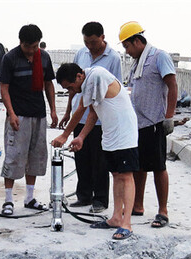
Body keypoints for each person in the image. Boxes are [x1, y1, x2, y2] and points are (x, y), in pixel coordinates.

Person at [53, 63, 138, 240]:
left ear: (78, 76)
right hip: (109, 133)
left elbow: (81, 110)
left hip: (124, 133)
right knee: (115, 174)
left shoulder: (96, 76)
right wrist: (81, 137)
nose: (72, 91)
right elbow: (93, 113)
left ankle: (126, 223)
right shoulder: (88, 82)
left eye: (70, 87)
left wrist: (65, 135)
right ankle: (116, 217)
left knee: (126, 175)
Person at [58, 22, 122, 213]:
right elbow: (73, 88)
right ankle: (84, 195)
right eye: (86, 42)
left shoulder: (113, 58)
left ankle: (100, 200)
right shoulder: (81, 54)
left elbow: (115, 88)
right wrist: (68, 111)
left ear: (102, 37)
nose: (90, 46)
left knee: (100, 160)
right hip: (80, 116)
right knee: (81, 157)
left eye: (93, 42)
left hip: (101, 117)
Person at [119, 21, 178, 228]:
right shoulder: (137, 62)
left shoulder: (159, 56)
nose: (126, 51)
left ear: (137, 41)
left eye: (127, 46)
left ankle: (163, 211)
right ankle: (138, 205)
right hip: (137, 123)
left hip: (154, 121)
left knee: (158, 166)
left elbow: (172, 84)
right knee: (139, 166)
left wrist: (169, 115)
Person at [0, 24, 58, 215]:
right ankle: (8, 200)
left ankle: (29, 197)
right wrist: (11, 113)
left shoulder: (44, 57)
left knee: (36, 156)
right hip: (18, 115)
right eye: (28, 47)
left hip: (38, 113)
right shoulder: (10, 58)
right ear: (20, 42)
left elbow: (48, 84)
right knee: (14, 156)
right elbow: (4, 87)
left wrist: (53, 110)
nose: (32, 50)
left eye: (35, 46)